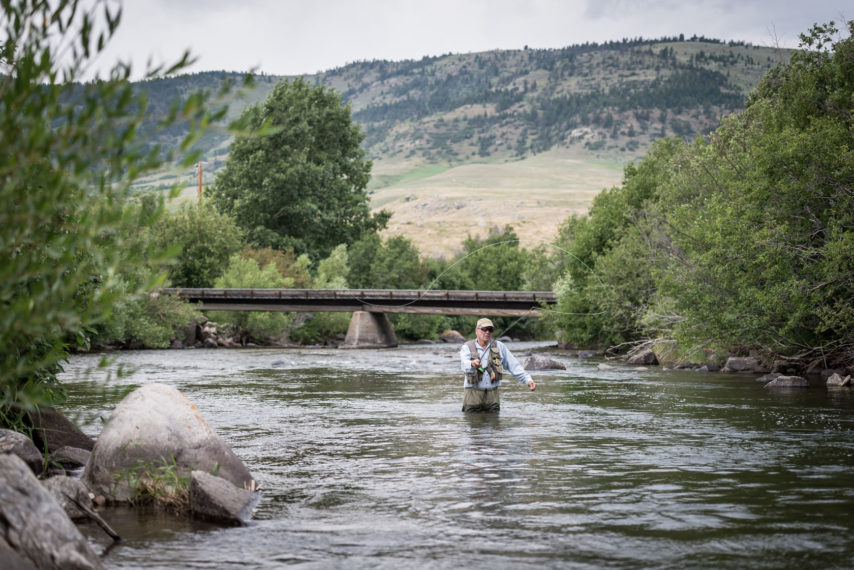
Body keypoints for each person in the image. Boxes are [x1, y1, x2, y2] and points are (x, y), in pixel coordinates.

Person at [459, 318, 536, 412]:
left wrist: (528, 380)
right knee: (472, 423)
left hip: (493, 394)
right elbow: (463, 364)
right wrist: (472, 363)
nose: (487, 332)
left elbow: (514, 366)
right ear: (476, 330)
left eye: (490, 329)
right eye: (484, 329)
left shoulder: (500, 346)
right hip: (472, 393)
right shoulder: (467, 346)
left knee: (495, 424)